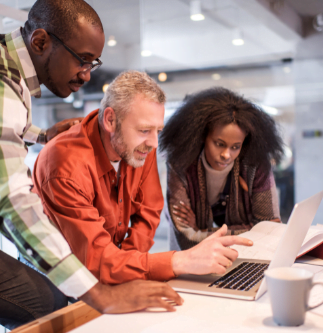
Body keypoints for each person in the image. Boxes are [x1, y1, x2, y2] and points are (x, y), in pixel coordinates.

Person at [0, 0, 182, 329]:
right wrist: (102, 295)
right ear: (40, 42)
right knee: (45, 302)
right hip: (77, 267)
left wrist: (40, 135)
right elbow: (13, 203)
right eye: (81, 61)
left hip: (107, 263)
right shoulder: (6, 86)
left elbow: (149, 210)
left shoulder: (10, 72)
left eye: (92, 64)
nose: (85, 74)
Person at [33, 70, 253, 287]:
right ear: (110, 120)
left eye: (158, 130)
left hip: (105, 269)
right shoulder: (64, 166)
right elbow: (95, 258)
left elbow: (149, 210)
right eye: (145, 130)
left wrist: (124, 266)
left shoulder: (138, 145)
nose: (154, 143)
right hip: (57, 280)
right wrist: (178, 261)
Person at [159, 87, 284, 251]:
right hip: (193, 262)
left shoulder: (256, 163)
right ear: (203, 136)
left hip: (248, 258)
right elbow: (187, 240)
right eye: (219, 144)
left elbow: (270, 232)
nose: (226, 155)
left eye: (235, 147)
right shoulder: (181, 162)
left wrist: (200, 231)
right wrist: (251, 229)